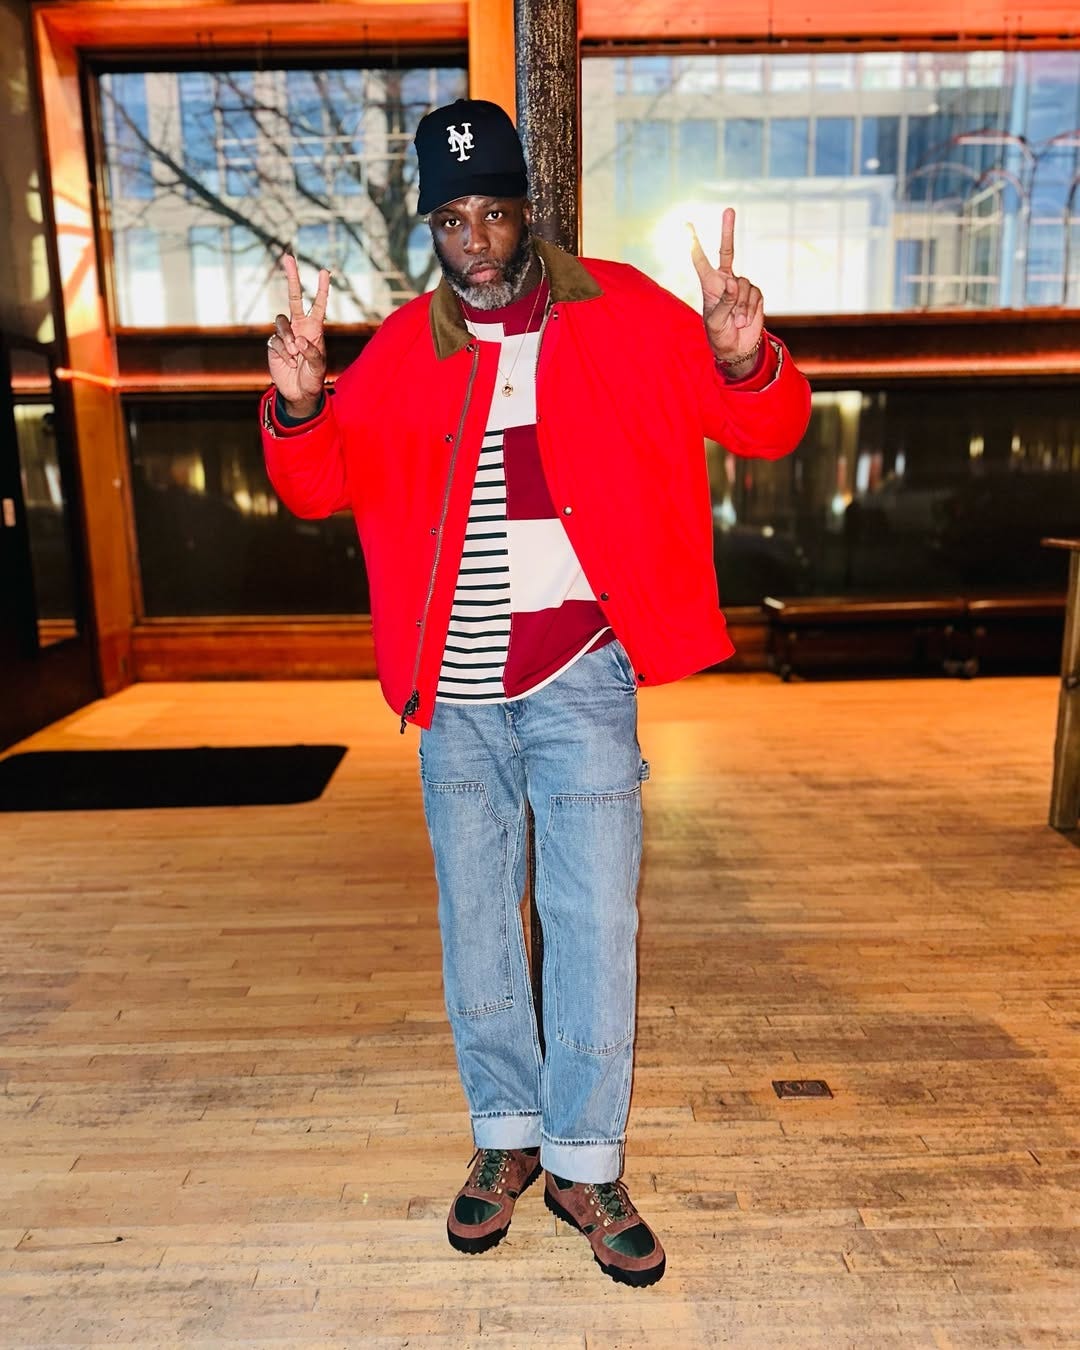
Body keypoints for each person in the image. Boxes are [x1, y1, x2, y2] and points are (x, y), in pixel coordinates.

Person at [261, 98, 811, 1288]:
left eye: (493, 213)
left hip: (579, 682)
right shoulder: (409, 348)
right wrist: (302, 404)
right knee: (477, 930)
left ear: (527, 213)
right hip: (453, 698)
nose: (475, 242)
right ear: (433, 231)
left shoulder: (623, 312)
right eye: (451, 220)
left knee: (594, 923)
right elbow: (317, 488)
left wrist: (738, 355)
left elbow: (765, 427)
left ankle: (586, 1158)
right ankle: (507, 1140)